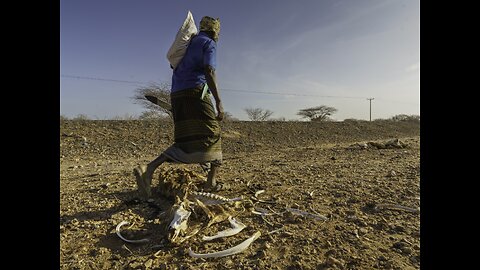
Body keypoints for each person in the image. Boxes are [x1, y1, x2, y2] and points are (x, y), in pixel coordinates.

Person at [134, 16, 225, 198]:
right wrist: (218, 101)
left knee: (184, 139)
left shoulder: (188, 43)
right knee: (213, 134)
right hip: (196, 92)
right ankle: (211, 182)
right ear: (215, 31)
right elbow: (210, 70)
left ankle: (149, 168)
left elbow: (172, 65)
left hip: (177, 94)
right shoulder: (208, 43)